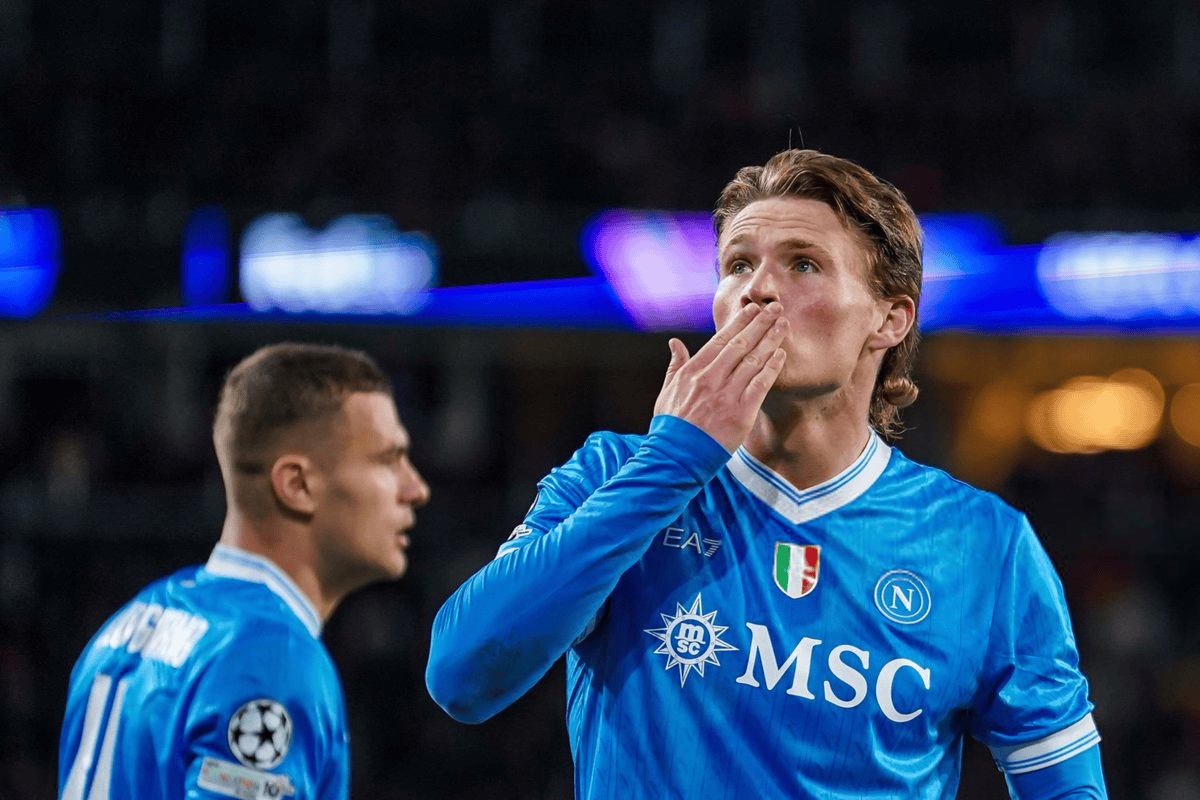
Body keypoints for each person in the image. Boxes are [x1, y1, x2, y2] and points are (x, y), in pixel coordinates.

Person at [426, 149, 1106, 798]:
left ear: (889, 318)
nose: (757, 290)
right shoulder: (616, 475)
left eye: (803, 264)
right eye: (738, 264)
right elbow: (461, 678)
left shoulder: (984, 546)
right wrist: (671, 462)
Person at [59, 342, 429, 800]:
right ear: (297, 485)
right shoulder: (272, 656)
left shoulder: (133, 619)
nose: (415, 488)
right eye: (388, 461)